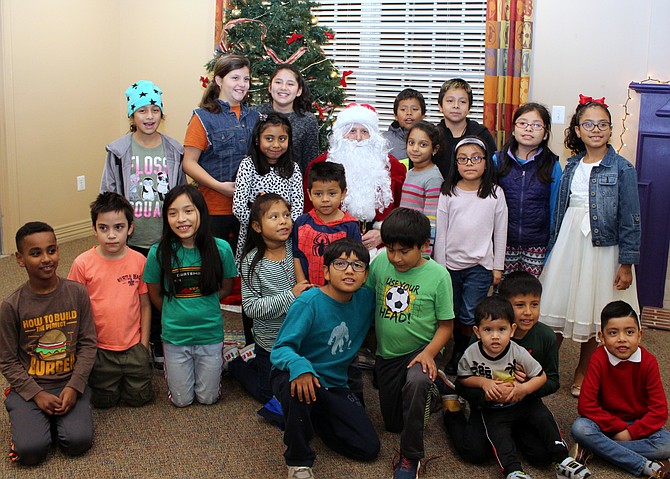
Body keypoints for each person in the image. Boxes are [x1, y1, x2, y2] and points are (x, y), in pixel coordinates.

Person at [539, 95, 641, 398]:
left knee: (595, 307)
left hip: (603, 247)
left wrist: (627, 262)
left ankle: (584, 369)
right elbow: (561, 208)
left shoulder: (623, 169)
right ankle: (544, 365)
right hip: (570, 241)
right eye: (588, 124)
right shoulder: (571, 166)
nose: (595, 130)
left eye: (602, 124)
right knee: (554, 304)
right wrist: (552, 247)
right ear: (578, 130)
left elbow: (630, 216)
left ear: (610, 130)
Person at [270, 238, 380, 479]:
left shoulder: (366, 300)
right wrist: (301, 367)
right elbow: (280, 349)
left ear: (365, 275)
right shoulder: (309, 303)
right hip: (296, 374)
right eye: (341, 264)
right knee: (296, 389)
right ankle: (298, 460)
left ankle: (310, 419)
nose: (350, 270)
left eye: (358, 265)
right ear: (327, 272)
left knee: (368, 448)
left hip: (334, 384)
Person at [100, 79, 186, 369]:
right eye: (142, 111)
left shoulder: (174, 150)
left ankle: (160, 342)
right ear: (131, 116)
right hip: (132, 240)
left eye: (154, 110)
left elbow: (180, 194)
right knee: (132, 294)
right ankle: (138, 343)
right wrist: (113, 232)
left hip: (163, 237)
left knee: (162, 291)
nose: (149, 116)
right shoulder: (119, 151)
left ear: (162, 113)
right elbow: (108, 194)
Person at [457, 296, 591, 479]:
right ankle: (513, 471)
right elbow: (463, 378)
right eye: (488, 330)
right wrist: (483, 383)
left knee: (543, 417)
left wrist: (524, 389)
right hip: (493, 409)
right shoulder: (471, 352)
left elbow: (541, 376)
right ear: (477, 332)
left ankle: (564, 460)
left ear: (512, 330)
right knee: (498, 437)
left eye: (502, 329)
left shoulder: (517, 351)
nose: (495, 336)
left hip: (523, 402)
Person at [366, 208, 454, 479]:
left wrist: (429, 353)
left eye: (404, 251)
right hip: (387, 354)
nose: (396, 258)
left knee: (416, 384)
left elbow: (446, 325)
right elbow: (365, 300)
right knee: (393, 424)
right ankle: (436, 392)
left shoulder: (439, 275)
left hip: (422, 351)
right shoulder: (381, 263)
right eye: (391, 249)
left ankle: (411, 457)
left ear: (425, 246)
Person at [0, 222, 96, 465]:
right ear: (20, 259)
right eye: (36, 253)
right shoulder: (12, 306)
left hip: (69, 383)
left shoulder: (77, 293)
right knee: (31, 452)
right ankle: (30, 421)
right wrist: (36, 394)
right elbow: (7, 360)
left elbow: (87, 345)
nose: (46, 259)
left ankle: (53, 422)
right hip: (32, 386)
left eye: (51, 250)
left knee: (78, 442)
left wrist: (75, 387)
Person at [443, 271, 560, 466]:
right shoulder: (485, 335)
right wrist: (485, 394)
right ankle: (451, 414)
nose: (528, 312)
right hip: (488, 406)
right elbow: (462, 384)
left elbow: (553, 381)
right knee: (475, 453)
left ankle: (511, 434)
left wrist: (525, 387)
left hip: (523, 403)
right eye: (520, 305)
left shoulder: (546, 336)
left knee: (542, 458)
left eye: (535, 304)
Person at [143, 185, 237, 407]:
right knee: (181, 401)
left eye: (188, 211)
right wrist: (173, 314)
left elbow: (225, 287)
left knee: (208, 399)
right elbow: (155, 294)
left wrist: (206, 303)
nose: (181, 219)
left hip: (210, 334)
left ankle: (224, 356)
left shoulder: (221, 248)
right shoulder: (158, 251)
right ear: (166, 218)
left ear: (201, 213)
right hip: (175, 337)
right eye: (173, 213)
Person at [67, 192, 153, 408]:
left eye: (119, 227)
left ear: (130, 228)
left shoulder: (139, 261)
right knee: (103, 402)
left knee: (139, 399)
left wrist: (144, 344)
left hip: (134, 346)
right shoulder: (82, 264)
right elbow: (74, 308)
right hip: (99, 348)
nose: (111, 235)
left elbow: (145, 305)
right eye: (103, 228)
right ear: (94, 229)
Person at [226, 194, 311, 405]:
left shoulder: (298, 250)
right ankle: (236, 363)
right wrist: (291, 296)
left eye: (287, 215)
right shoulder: (252, 262)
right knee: (269, 397)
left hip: (301, 341)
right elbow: (251, 308)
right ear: (256, 226)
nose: (283, 221)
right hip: (269, 343)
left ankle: (252, 358)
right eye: (274, 217)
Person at [434, 136, 508, 375]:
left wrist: (498, 267)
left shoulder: (495, 193)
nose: (469, 163)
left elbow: (501, 232)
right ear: (455, 163)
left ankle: (463, 353)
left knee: (470, 313)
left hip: (480, 265)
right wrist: (440, 266)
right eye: (463, 159)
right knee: (451, 311)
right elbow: (441, 232)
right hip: (449, 267)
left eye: (476, 158)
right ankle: (455, 346)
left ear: (486, 162)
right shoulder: (448, 192)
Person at [571, 301, 670, 478]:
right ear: (602, 337)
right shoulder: (598, 358)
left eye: (629, 332)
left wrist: (631, 433)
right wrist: (618, 428)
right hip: (604, 422)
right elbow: (586, 405)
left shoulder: (649, 362)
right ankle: (643, 464)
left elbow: (660, 410)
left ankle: (594, 450)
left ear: (640, 336)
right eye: (613, 333)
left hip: (637, 423)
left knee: (666, 444)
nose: (622, 339)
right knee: (580, 428)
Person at [303, 103, 406, 255]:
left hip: (378, 248)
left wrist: (384, 233)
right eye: (352, 131)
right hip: (332, 243)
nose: (358, 138)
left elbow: (402, 212)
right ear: (341, 134)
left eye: (364, 131)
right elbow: (308, 211)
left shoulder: (393, 167)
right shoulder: (319, 165)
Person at [182, 54, 259, 250]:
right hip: (214, 209)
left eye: (246, 79)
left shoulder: (256, 117)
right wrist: (219, 186)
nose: (242, 84)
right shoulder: (203, 118)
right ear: (218, 80)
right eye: (235, 78)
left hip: (250, 208)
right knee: (216, 266)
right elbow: (189, 163)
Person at [495, 103, 562, 277]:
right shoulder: (498, 160)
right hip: (503, 243)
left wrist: (551, 246)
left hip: (537, 244)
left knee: (531, 296)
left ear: (546, 133)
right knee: (503, 294)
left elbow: (556, 207)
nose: (529, 129)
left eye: (537, 125)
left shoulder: (552, 164)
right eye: (523, 123)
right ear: (513, 129)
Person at [233, 112, 304, 264]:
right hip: (254, 236)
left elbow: (298, 206)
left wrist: (284, 226)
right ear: (258, 140)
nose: (276, 145)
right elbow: (239, 207)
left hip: (284, 236)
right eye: (269, 139)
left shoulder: (293, 168)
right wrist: (262, 227)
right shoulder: (248, 165)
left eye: (282, 139)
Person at [293, 161, 361, 286]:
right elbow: (297, 256)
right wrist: (303, 286)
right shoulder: (302, 223)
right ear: (309, 194)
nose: (325, 199)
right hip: (308, 290)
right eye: (318, 194)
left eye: (332, 193)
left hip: (338, 292)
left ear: (343, 193)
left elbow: (355, 262)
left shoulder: (350, 226)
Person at [257, 64, 319, 173]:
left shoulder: (307, 120)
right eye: (278, 82)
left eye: (290, 84)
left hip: (292, 185)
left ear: (299, 91)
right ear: (270, 87)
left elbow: (310, 163)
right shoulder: (255, 114)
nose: (283, 87)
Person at [433, 78, 497, 181]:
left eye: (462, 101)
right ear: (440, 106)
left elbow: (492, 169)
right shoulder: (433, 135)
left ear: (469, 107)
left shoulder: (481, 134)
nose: (456, 106)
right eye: (450, 101)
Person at [399, 121, 443, 254]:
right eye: (411, 143)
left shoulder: (433, 178)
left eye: (423, 145)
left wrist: (425, 252)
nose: (415, 148)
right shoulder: (410, 172)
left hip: (418, 246)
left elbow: (431, 220)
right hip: (404, 239)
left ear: (434, 149)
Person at [382, 88, 427, 165]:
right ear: (395, 115)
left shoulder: (430, 138)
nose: (409, 113)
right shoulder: (384, 140)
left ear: (423, 115)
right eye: (403, 109)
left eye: (414, 109)